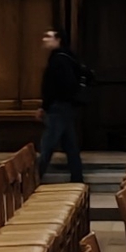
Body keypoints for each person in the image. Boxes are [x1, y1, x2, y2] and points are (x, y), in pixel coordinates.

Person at [37, 25, 87, 185]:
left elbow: (54, 87)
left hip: (59, 107)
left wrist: (45, 106)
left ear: (58, 40)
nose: (45, 39)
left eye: (49, 36)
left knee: (48, 145)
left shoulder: (59, 59)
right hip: (65, 106)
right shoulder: (65, 57)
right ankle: (77, 178)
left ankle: (32, 178)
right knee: (70, 144)